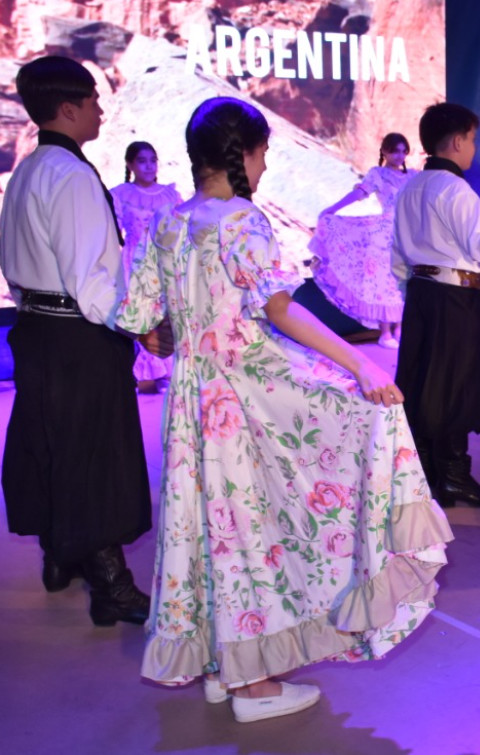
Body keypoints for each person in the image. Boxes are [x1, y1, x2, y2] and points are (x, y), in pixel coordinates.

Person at [115, 96, 452, 723]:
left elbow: (136, 315)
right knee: (254, 528)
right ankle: (255, 687)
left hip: (190, 404)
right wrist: (360, 364)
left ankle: (226, 665)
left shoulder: (165, 222)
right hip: (241, 398)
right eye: (264, 151)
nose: (267, 163)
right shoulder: (243, 220)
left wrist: (160, 333)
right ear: (242, 153)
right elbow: (279, 309)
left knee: (207, 530)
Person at [0, 56, 170, 626]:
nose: (101, 108)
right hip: (78, 334)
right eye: (94, 100)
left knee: (53, 444)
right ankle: (112, 587)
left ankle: (60, 559)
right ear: (68, 109)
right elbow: (91, 279)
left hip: (38, 327)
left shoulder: (27, 168)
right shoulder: (71, 176)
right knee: (92, 455)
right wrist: (140, 325)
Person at [392, 102, 480, 507]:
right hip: (455, 299)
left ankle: (426, 476)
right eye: (472, 139)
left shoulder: (409, 187)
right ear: (457, 142)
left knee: (424, 384)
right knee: (457, 384)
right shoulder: (456, 190)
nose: (474, 147)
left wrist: (414, 296)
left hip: (422, 296)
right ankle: (453, 476)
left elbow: (397, 255)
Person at [307, 132, 414, 348]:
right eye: (395, 151)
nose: (400, 156)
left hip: (408, 232)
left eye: (404, 151)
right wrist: (333, 209)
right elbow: (359, 194)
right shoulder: (378, 174)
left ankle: (401, 328)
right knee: (385, 281)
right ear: (384, 151)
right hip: (385, 233)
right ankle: (385, 334)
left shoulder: (412, 175)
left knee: (405, 280)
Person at [111, 140, 181, 391]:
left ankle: (167, 370)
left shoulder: (170, 195)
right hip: (134, 262)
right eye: (142, 161)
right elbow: (110, 232)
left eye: (153, 160)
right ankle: (146, 374)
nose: (149, 166)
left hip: (164, 261)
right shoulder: (120, 194)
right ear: (130, 164)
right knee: (142, 313)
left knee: (165, 314)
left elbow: (179, 231)